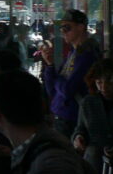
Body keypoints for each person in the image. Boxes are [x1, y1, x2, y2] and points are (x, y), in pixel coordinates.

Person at [40, 9, 101, 138]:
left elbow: (68, 90)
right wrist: (50, 65)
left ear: (81, 27)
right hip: (61, 115)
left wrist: (57, 79)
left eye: (67, 28)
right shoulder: (73, 53)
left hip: (72, 119)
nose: (63, 32)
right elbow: (52, 90)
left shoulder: (87, 55)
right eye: (61, 28)